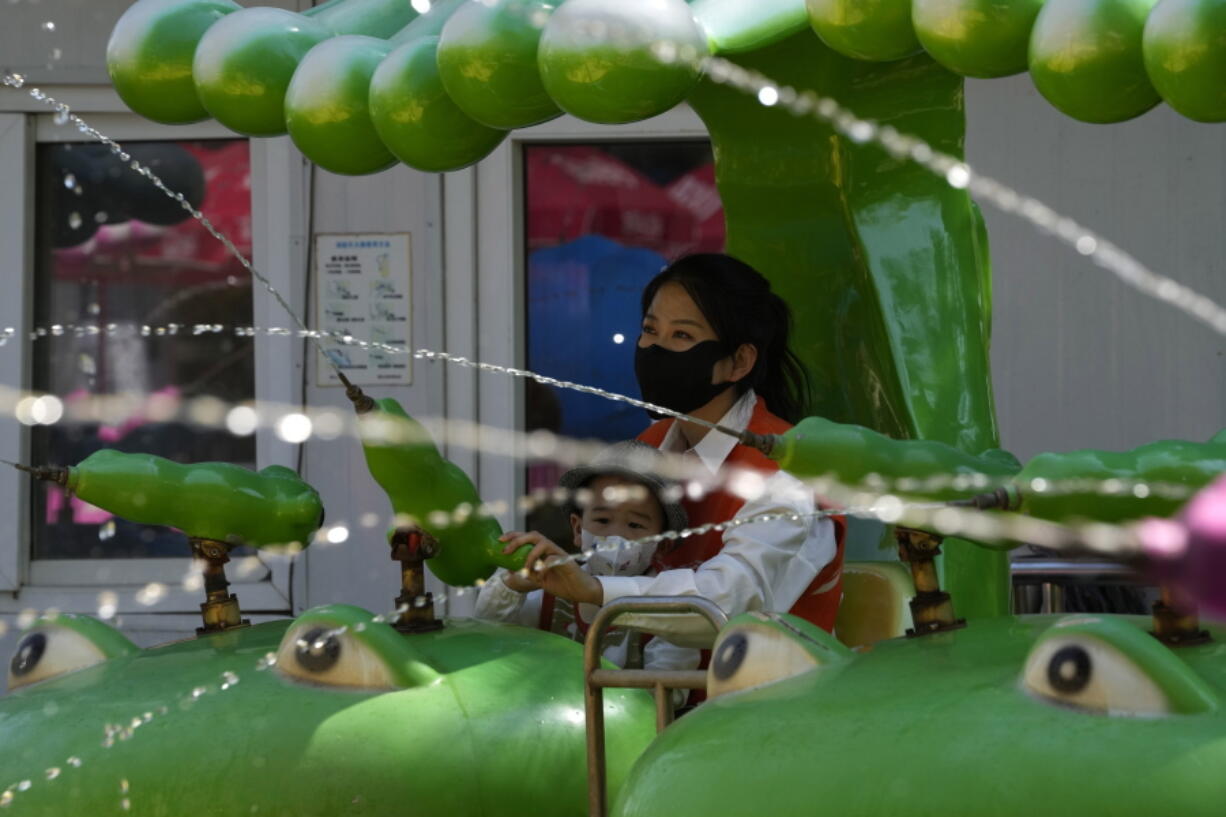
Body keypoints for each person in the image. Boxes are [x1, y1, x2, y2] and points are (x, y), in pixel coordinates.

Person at [502, 253, 844, 650]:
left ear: (739, 362)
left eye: (682, 336)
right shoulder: (643, 452)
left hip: (765, 705)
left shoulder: (785, 477)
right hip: (649, 699)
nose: (655, 350)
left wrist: (596, 590)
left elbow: (729, 605)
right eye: (650, 331)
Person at [475, 440, 698, 673]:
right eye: (602, 520)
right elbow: (488, 638)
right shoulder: (549, 594)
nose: (616, 535)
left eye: (635, 524)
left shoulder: (666, 607)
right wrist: (512, 587)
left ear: (662, 544)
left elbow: (667, 690)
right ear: (577, 529)